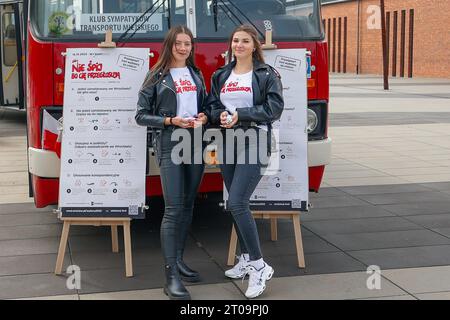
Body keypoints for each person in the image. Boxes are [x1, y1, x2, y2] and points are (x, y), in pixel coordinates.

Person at [206, 24, 284, 299]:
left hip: (256, 140)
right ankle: (245, 257)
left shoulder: (266, 74)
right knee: (234, 202)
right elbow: (213, 104)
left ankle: (260, 266)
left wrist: (242, 114)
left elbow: (275, 108)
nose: (238, 45)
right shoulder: (221, 74)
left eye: (245, 41)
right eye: (235, 40)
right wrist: (221, 116)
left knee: (238, 202)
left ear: (254, 46)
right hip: (228, 142)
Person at [135, 25, 208, 300]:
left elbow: (207, 105)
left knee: (189, 204)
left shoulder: (196, 73)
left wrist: (204, 117)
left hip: (196, 142)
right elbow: (141, 115)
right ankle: (171, 277)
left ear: (191, 47)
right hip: (170, 141)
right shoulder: (156, 76)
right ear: (170, 45)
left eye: (187, 43)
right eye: (178, 43)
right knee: (174, 208)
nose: (183, 48)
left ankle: (178, 260)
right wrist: (169, 121)